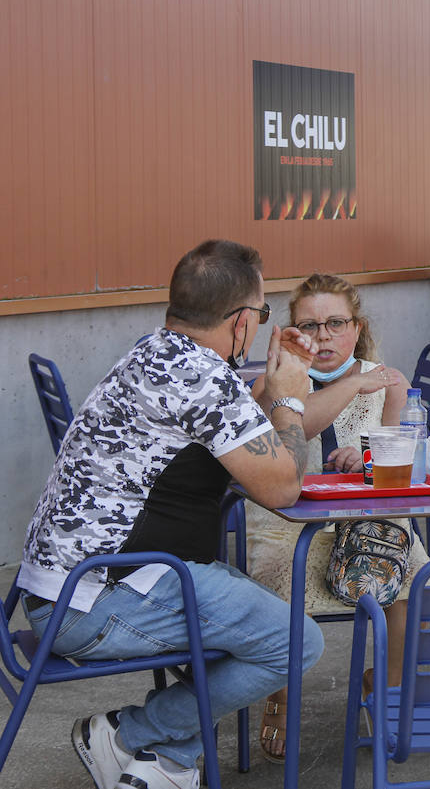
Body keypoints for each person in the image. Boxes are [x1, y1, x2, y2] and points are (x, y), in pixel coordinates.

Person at [17, 240, 324, 789]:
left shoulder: (154, 352)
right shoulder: (205, 379)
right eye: (262, 313)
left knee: (244, 600)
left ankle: (171, 760)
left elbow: (227, 429)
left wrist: (272, 388)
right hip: (92, 601)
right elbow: (281, 488)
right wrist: (290, 401)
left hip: (59, 588)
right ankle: (130, 734)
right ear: (241, 323)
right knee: (296, 640)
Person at [246, 273, 427, 762]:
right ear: (292, 331)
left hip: (364, 521)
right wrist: (350, 386)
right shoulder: (277, 379)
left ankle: (387, 685)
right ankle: (280, 696)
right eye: (310, 324)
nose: (323, 336)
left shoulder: (386, 380)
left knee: (413, 576)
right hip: (286, 525)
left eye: (335, 323)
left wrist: (367, 460)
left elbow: (400, 469)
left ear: (356, 326)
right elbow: (290, 428)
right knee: (282, 582)